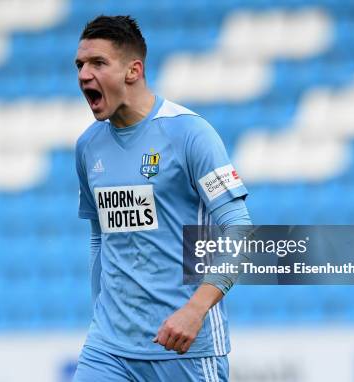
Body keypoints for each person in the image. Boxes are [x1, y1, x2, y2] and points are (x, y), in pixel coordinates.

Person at [73, 15, 252, 382]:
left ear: (133, 70)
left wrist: (195, 310)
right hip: (108, 348)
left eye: (98, 63)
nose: (83, 75)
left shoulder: (190, 134)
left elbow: (240, 230)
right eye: (80, 65)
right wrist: (100, 313)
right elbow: (99, 237)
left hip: (183, 347)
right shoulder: (89, 146)